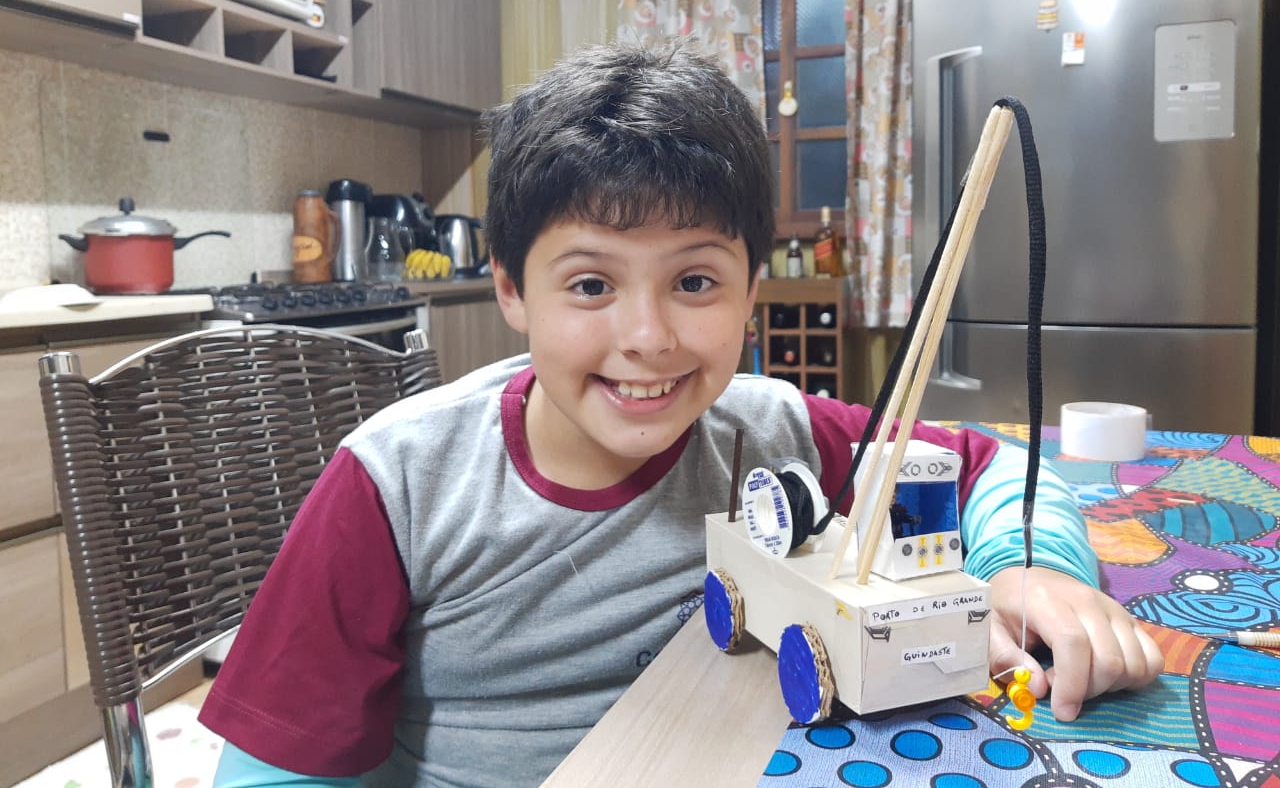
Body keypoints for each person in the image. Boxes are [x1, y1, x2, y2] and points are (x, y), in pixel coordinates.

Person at [202, 43, 1163, 788]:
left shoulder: (772, 433)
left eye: (695, 281)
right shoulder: (397, 485)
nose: (649, 337)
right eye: (590, 284)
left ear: (752, 292)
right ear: (510, 290)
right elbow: (269, 767)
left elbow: (988, 466)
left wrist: (1030, 569)